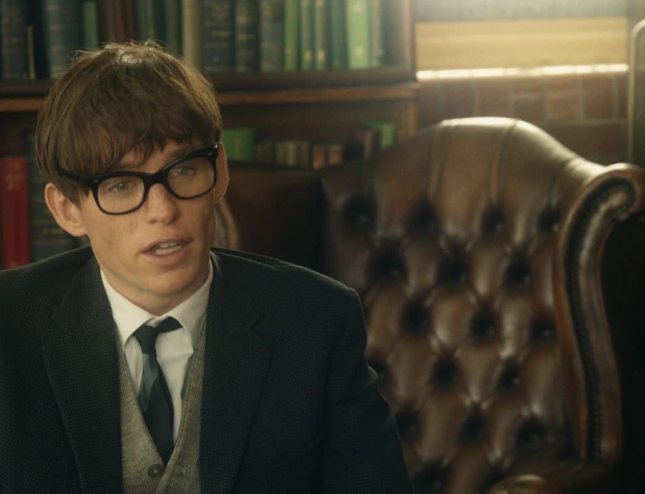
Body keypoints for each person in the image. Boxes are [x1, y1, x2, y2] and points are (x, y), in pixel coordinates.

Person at [0, 41, 411, 493]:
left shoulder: (317, 321)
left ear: (220, 171)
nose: (163, 210)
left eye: (183, 170)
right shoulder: (9, 323)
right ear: (67, 210)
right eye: (120, 185)